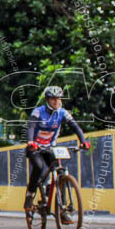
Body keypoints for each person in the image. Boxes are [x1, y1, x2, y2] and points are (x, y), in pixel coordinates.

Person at [24, 86, 90, 216]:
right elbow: (31, 126)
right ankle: (30, 196)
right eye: (53, 99)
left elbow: (75, 126)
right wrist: (30, 141)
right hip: (35, 147)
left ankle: (62, 210)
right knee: (38, 166)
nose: (56, 101)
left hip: (51, 148)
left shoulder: (63, 113)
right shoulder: (38, 112)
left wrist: (83, 141)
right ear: (47, 100)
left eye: (58, 99)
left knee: (60, 172)